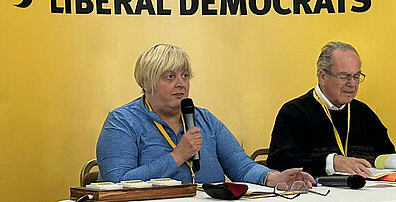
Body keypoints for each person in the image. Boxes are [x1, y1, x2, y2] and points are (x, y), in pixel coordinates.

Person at [96, 44, 315, 189]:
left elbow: (242, 167)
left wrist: (273, 178)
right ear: (145, 83)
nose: (181, 83)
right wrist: (177, 156)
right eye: (170, 77)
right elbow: (117, 182)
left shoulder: (205, 119)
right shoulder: (122, 122)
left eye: (184, 76)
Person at [266, 41, 396, 178]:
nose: (353, 84)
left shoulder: (363, 112)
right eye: (345, 76)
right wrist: (331, 162)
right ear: (322, 76)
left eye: (356, 76)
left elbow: (383, 156)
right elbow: (278, 161)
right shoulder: (294, 112)